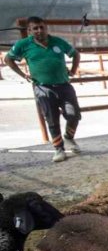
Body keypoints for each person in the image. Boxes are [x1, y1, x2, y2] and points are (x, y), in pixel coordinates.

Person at [5, 16, 82, 163]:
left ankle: (69, 137)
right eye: (35, 28)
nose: (39, 30)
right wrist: (23, 75)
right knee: (52, 118)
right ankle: (59, 149)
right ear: (29, 31)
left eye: (42, 27)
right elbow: (8, 59)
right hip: (43, 87)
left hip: (64, 85)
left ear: (46, 28)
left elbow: (75, 54)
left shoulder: (58, 42)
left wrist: (72, 71)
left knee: (74, 115)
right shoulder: (24, 44)